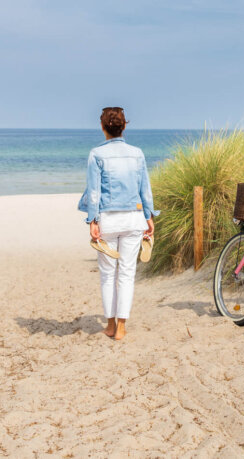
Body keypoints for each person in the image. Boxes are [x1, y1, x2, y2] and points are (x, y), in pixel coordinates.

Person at [77, 107, 157, 341]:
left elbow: (94, 192)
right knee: (127, 274)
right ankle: (122, 327)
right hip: (133, 219)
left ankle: (110, 326)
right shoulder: (137, 153)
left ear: (103, 127)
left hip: (108, 220)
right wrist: (149, 216)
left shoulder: (96, 154)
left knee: (108, 274)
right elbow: (145, 189)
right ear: (124, 126)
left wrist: (92, 220)